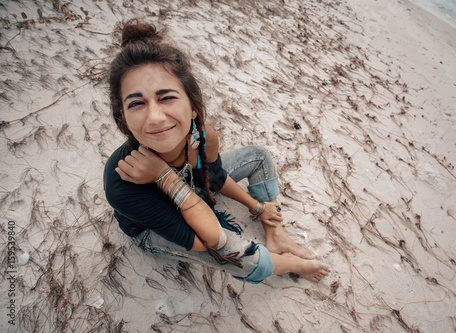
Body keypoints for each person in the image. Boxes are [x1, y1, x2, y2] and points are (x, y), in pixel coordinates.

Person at [103, 19, 330, 284]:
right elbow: (210, 239)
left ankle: (276, 233)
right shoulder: (122, 182)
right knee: (234, 255)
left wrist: (258, 207)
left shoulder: (203, 138)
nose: (154, 117)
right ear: (123, 117)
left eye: (166, 97)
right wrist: (164, 175)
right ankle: (291, 263)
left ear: (193, 106)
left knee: (258, 156)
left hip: (194, 190)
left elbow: (215, 179)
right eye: (136, 103)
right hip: (154, 229)